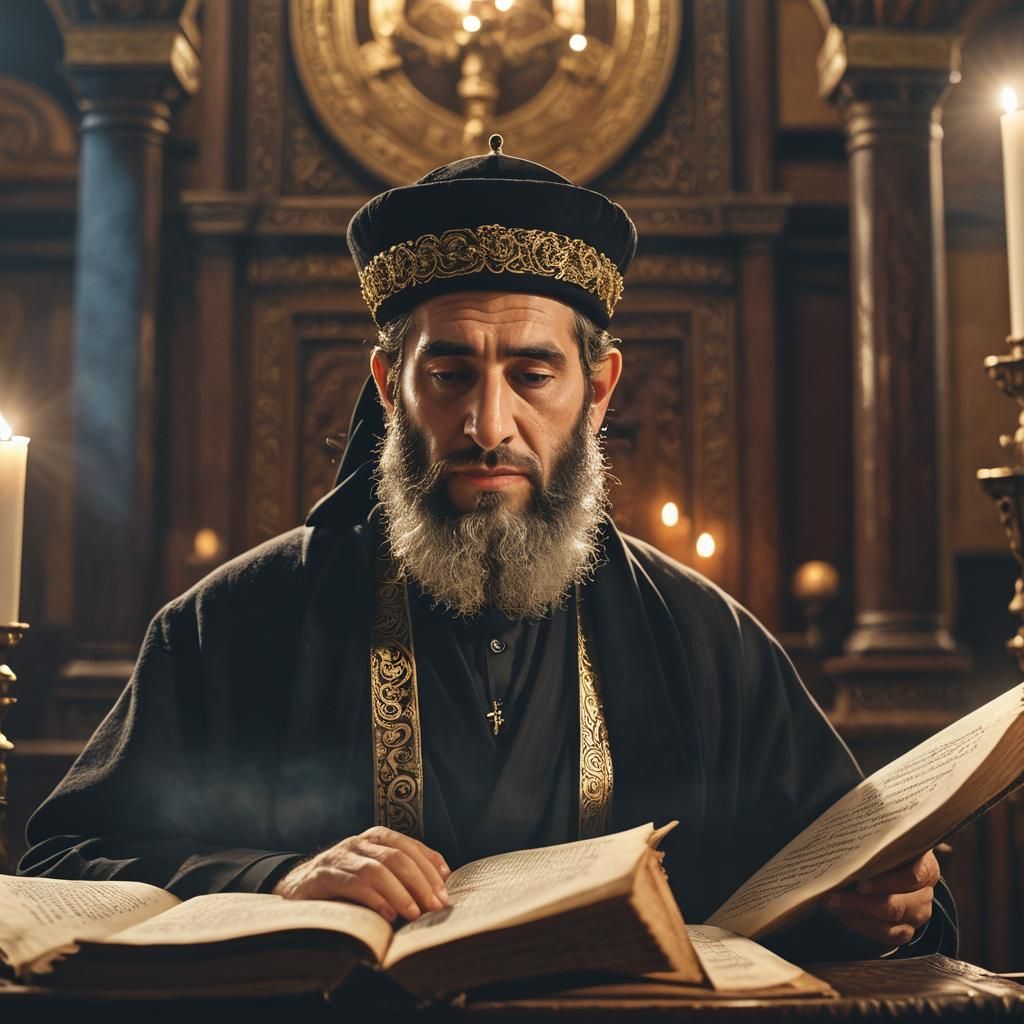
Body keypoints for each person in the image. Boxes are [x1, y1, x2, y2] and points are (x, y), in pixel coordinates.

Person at [19, 137, 955, 960]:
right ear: (390, 384)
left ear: (599, 388)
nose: (487, 423)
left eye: (532, 373)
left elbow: (858, 881)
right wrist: (278, 878)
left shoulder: (706, 639)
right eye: (451, 371)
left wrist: (880, 907)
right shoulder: (231, 624)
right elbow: (69, 864)